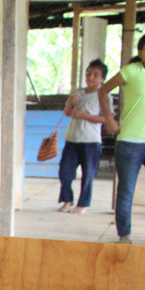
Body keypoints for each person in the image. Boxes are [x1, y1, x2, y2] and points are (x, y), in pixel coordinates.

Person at [99, 31, 145, 245]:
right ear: (140, 51)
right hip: (130, 142)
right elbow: (103, 91)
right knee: (126, 190)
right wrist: (109, 119)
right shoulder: (131, 71)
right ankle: (124, 235)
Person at [58, 59, 108, 214]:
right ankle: (67, 199)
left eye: (95, 74)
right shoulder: (78, 92)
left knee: (88, 174)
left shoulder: (103, 96)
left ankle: (83, 203)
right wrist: (70, 103)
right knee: (65, 171)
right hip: (72, 138)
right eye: (88, 73)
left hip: (91, 141)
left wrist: (84, 116)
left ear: (102, 79)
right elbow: (67, 112)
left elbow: (105, 118)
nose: (91, 77)